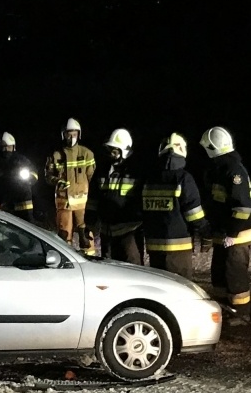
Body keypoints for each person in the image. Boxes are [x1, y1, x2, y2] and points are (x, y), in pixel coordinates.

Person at [199, 126, 251, 323]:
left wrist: (232, 233)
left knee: (235, 273)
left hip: (238, 233)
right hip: (224, 232)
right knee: (219, 272)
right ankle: (224, 307)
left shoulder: (233, 171)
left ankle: (241, 313)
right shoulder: (218, 169)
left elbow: (242, 207)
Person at [139, 133, 206, 278]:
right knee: (181, 288)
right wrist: (205, 230)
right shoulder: (184, 178)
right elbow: (193, 213)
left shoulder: (149, 178)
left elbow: (141, 209)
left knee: (159, 287)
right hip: (179, 246)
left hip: (154, 246)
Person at [43, 118, 95, 249]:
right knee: (64, 236)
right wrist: (57, 181)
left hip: (82, 203)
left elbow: (91, 176)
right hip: (63, 201)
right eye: (68, 134)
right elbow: (48, 176)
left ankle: (91, 260)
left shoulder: (87, 154)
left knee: (86, 236)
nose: (71, 137)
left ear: (79, 134)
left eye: (74, 134)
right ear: (63, 134)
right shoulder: (55, 155)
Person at [93, 128, 143, 263]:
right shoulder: (103, 170)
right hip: (107, 231)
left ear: (124, 150)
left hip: (129, 232)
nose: (111, 154)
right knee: (109, 271)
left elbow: (141, 200)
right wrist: (90, 220)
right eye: (109, 150)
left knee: (133, 268)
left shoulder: (135, 171)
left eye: (114, 150)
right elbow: (94, 196)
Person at [0, 132, 38, 215]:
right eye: (3, 147)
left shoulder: (21, 160)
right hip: (5, 206)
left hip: (24, 205)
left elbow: (34, 174)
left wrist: (27, 179)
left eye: (8, 147)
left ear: (13, 147)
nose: (5, 150)